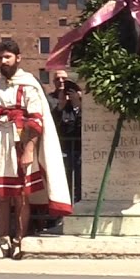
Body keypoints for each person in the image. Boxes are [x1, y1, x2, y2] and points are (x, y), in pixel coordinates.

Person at [0, 40, 72, 259]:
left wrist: (30, 150)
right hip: (0, 146)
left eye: (8, 57)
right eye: (1, 58)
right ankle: (2, 240)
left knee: (21, 196)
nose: (4, 62)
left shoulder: (29, 84)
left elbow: (36, 120)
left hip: (21, 143)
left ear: (18, 58)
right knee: (2, 197)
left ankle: (19, 239)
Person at [47, 69, 83, 201]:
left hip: (78, 149)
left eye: (64, 79)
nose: (61, 82)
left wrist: (77, 106)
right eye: (58, 79)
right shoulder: (50, 99)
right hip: (61, 147)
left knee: (78, 178)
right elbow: (51, 124)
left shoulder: (81, 100)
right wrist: (60, 107)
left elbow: (82, 126)